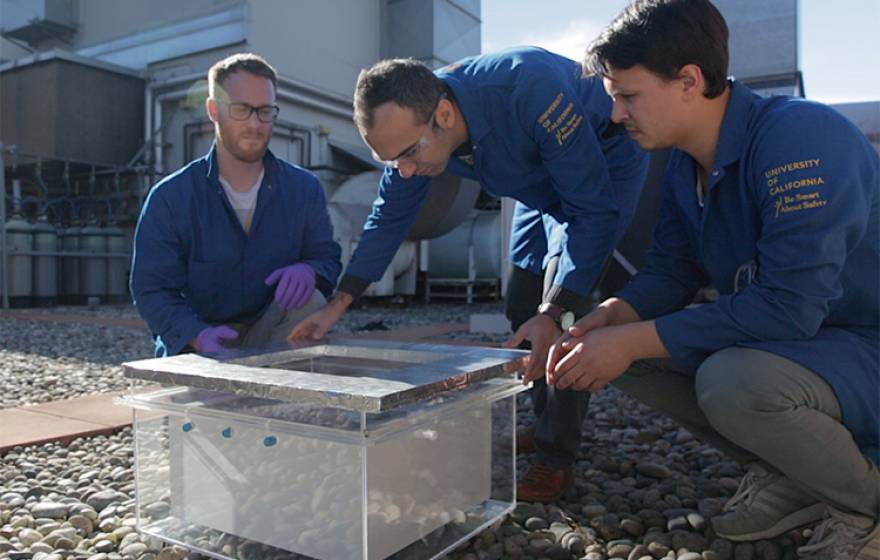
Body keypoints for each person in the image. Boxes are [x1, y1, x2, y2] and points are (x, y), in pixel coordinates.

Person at [547, 0, 879, 556]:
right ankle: (793, 473)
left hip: (865, 344)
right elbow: (671, 270)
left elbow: (789, 308)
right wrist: (606, 321)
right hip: (815, 349)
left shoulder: (800, 138)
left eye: (628, 96)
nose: (617, 115)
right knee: (616, 356)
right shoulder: (685, 163)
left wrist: (628, 339)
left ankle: (864, 503)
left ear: (688, 81)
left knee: (735, 382)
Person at [288, 47, 649, 502]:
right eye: (390, 162)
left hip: (597, 166)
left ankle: (557, 458)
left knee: (563, 316)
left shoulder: (531, 88)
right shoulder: (416, 123)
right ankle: (544, 424)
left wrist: (556, 306)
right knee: (520, 304)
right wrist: (336, 305)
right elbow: (389, 215)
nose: (406, 170)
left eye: (408, 154)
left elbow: (590, 210)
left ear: (443, 113)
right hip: (534, 189)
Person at [131, 53, 341, 357]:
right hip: (198, 342)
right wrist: (195, 334)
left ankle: (286, 393)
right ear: (214, 111)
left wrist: (311, 270)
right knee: (203, 396)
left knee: (312, 302)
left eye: (265, 111)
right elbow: (151, 289)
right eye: (242, 109)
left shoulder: (303, 189)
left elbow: (328, 259)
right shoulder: (170, 197)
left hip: (272, 334)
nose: (255, 124)